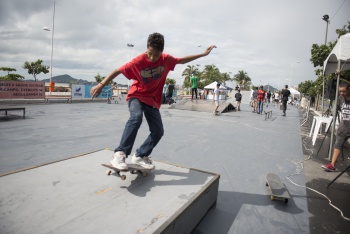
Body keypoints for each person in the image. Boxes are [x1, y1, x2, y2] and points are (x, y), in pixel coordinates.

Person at [90, 32, 216, 170]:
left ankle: (140, 156)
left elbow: (181, 60)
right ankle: (119, 154)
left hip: (152, 100)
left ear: (161, 52)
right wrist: (101, 84)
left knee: (158, 131)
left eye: (156, 55)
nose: (152, 58)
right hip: (136, 96)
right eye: (150, 53)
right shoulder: (138, 61)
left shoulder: (166, 59)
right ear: (147, 48)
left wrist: (203, 55)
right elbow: (117, 70)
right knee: (136, 117)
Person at [322, 82, 350, 172]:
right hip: (343, 128)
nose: (341, 93)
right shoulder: (340, 98)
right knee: (337, 145)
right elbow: (336, 109)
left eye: (343, 91)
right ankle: (332, 165)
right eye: (340, 91)